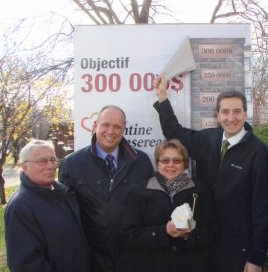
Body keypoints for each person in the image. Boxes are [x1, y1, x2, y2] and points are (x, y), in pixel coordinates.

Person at [153, 75, 268, 272]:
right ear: (218, 115)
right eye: (225, 112)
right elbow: (174, 132)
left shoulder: (260, 154)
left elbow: (263, 211)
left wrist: (256, 258)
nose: (231, 118)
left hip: (238, 251)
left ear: (245, 114)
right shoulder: (207, 139)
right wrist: (162, 97)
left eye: (237, 111)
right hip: (204, 244)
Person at [59, 105, 154, 272]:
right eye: (105, 125)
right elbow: (66, 215)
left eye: (117, 126)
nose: (111, 131)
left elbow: (152, 205)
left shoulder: (141, 162)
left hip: (134, 257)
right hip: (92, 258)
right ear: (95, 126)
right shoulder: (71, 164)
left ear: (124, 129)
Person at [121, 139, 217, 272]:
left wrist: (188, 235)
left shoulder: (200, 191)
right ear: (157, 164)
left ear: (185, 164)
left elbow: (211, 231)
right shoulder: (140, 192)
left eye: (177, 160)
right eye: (165, 160)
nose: (171, 165)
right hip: (152, 265)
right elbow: (129, 235)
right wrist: (163, 232)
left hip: (191, 265)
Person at [5, 139, 90, 272]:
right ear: (25, 166)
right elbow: (26, 265)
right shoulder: (20, 206)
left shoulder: (63, 193)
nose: (51, 166)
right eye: (42, 161)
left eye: (53, 160)